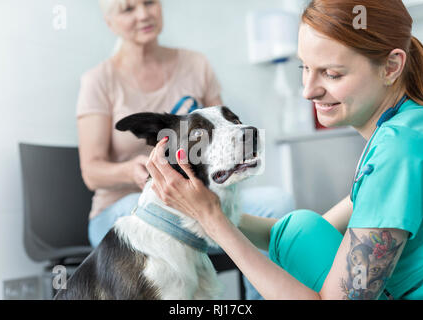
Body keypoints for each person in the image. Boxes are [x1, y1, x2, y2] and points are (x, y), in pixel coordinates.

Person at [145, 0, 423, 300]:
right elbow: (298, 234)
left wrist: (213, 221)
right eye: (305, 67)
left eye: (332, 74)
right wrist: (197, 207)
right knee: (299, 228)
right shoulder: (416, 125)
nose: (308, 90)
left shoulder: (399, 151)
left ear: (391, 67)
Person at [76, 0, 293, 299]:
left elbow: (223, 132)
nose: (143, 14)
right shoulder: (98, 81)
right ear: (109, 22)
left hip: (198, 194)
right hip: (124, 203)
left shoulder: (195, 64)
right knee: (146, 209)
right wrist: (133, 171)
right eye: (128, 9)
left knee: (277, 203)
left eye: (149, 2)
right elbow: (92, 170)